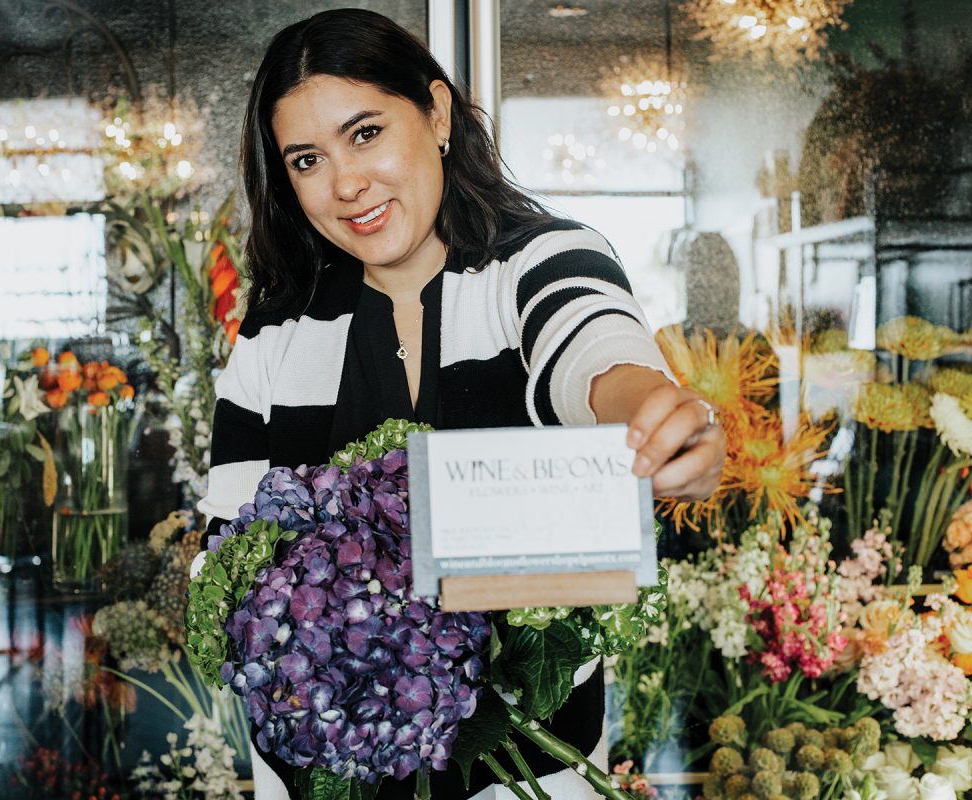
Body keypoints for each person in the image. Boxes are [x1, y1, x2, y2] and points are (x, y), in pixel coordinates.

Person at [198, 8, 726, 799]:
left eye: (366, 133)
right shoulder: (280, 325)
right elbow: (227, 550)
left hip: (532, 774)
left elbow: (591, 343)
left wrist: (651, 412)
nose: (345, 184)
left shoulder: (538, 260)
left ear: (437, 114)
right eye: (307, 159)